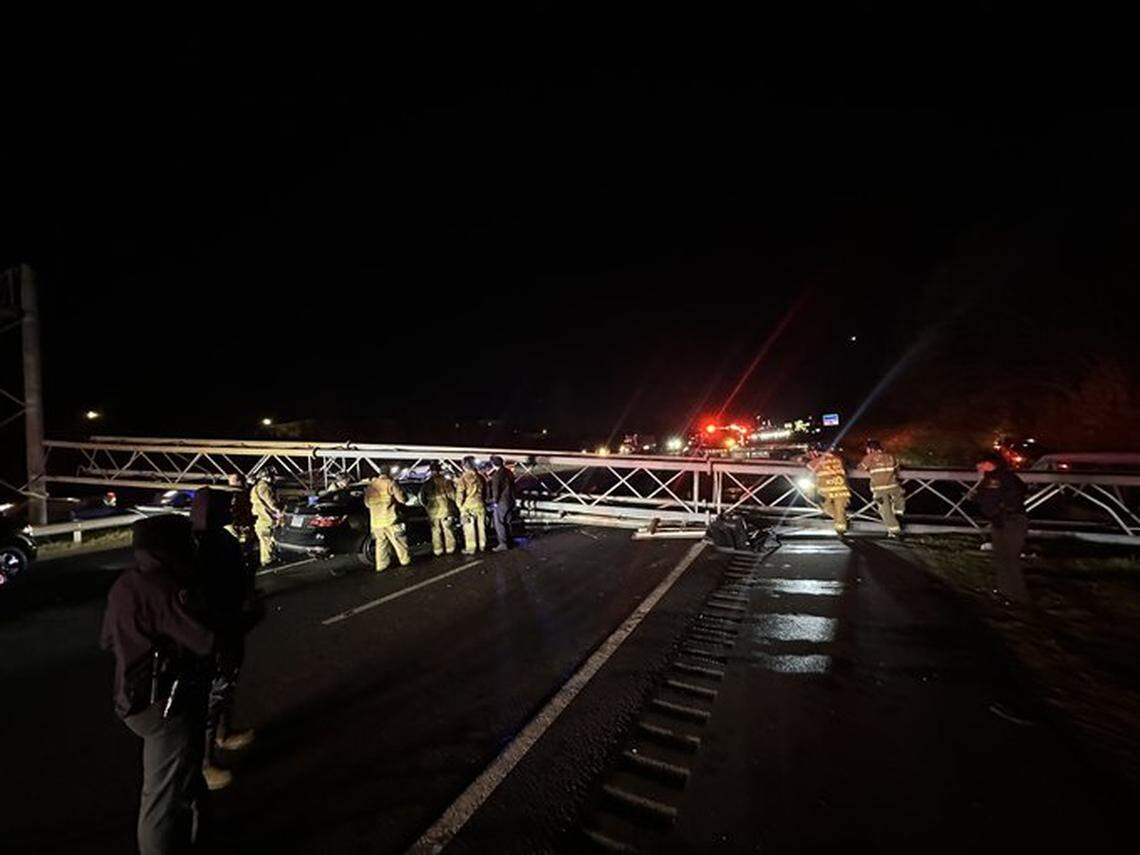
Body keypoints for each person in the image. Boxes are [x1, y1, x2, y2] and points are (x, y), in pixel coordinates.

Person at [101, 514, 217, 854]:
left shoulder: (125, 585)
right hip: (165, 704)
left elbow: (107, 639)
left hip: (130, 697)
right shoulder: (165, 588)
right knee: (161, 798)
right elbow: (204, 640)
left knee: (183, 777)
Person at [191, 489, 257, 785]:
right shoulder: (204, 546)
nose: (232, 510)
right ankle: (205, 764)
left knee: (226, 684)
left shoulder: (221, 539)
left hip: (230, 625)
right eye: (226, 507)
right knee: (213, 693)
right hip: (216, 630)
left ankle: (223, 734)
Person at [974, 451, 1030, 604]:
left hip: (1011, 521)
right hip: (999, 521)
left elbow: (1019, 492)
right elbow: (983, 499)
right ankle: (1005, 591)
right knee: (1001, 557)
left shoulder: (1004, 477)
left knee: (1010, 558)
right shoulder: (987, 479)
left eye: (980, 463)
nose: (978, 466)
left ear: (990, 463)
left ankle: (1017, 596)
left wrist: (1003, 510)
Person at [364, 468, 411, 571]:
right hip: (391, 519)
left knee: (381, 545)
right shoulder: (390, 483)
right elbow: (401, 499)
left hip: (376, 522)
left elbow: (367, 504)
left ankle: (381, 566)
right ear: (388, 473)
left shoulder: (371, 486)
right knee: (399, 542)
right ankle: (405, 562)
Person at [858, 439, 905, 536]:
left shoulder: (869, 458)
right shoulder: (890, 457)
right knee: (898, 502)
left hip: (879, 489)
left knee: (885, 510)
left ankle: (895, 531)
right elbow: (897, 469)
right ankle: (898, 515)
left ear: (870, 449)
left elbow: (860, 469)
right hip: (894, 486)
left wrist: (870, 469)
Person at [805, 444, 851, 534]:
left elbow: (809, 467)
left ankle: (841, 522)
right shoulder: (839, 459)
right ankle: (841, 529)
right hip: (841, 488)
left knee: (825, 507)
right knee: (840, 510)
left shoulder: (816, 462)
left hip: (827, 490)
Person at [420, 461, 457, 556]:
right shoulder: (447, 482)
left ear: (431, 471)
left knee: (435, 531)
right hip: (446, 511)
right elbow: (453, 496)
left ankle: (438, 550)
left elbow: (422, 499)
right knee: (448, 530)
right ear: (440, 471)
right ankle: (450, 549)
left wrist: (428, 507)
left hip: (433, 513)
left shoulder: (427, 484)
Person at [454, 456, 487, 554]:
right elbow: (485, 492)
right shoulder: (481, 477)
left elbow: (460, 494)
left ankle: (471, 548)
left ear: (464, 466)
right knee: (482, 526)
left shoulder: (463, 479)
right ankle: (482, 545)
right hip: (480, 504)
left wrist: (460, 506)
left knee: (469, 528)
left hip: (468, 507)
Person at [249, 468, 282, 568]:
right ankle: (268, 560)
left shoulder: (255, 487)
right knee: (267, 539)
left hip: (260, 518)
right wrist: (278, 510)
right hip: (265, 518)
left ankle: (267, 558)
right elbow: (270, 502)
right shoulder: (264, 487)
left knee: (265, 540)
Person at [488, 455, 516, 551]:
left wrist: (495, 502)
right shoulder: (509, 472)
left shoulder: (496, 475)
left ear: (493, 464)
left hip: (501, 502)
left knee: (499, 523)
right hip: (510, 501)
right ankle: (510, 542)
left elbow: (496, 490)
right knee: (508, 522)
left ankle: (503, 543)